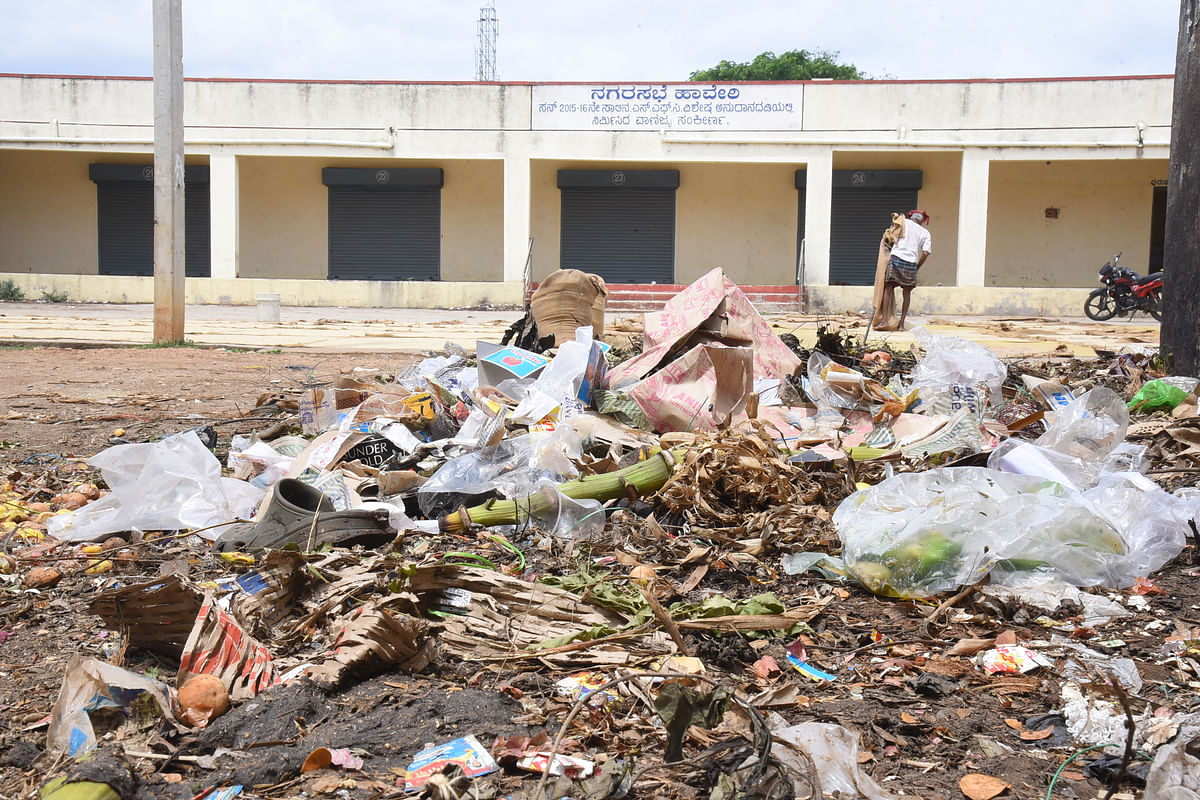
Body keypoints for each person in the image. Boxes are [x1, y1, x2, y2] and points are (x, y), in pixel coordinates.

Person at [883, 209, 932, 331]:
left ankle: (884, 321)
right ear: (922, 221)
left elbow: (890, 236)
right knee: (907, 293)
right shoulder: (925, 233)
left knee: (888, 288)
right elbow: (925, 253)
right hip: (911, 263)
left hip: (896, 259)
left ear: (911, 217)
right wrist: (917, 266)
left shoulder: (903, 222)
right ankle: (901, 325)